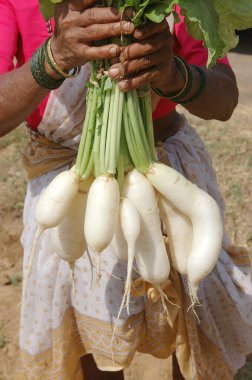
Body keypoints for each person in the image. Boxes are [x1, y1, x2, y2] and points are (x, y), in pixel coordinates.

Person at [0, 1, 251, 379]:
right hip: (71, 186)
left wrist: (173, 74)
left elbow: (225, 99)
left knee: (193, 316)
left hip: (166, 170)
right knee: (89, 329)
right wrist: (53, 58)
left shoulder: (173, 5)